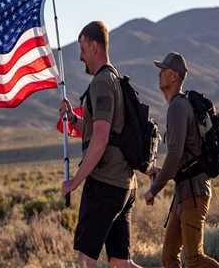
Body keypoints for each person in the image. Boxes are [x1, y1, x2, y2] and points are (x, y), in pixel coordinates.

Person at [60, 21, 141, 268]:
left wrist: (75, 181)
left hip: (105, 184)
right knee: (120, 262)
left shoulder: (102, 83)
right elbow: (103, 129)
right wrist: (74, 119)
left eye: (82, 48)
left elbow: (101, 138)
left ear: (94, 46)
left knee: (86, 259)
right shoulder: (114, 79)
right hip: (124, 184)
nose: (80, 56)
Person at [144, 52, 219, 268]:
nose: (159, 74)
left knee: (195, 259)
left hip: (193, 193)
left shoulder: (178, 107)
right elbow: (181, 158)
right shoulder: (177, 106)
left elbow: (176, 154)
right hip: (184, 193)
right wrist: (161, 172)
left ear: (173, 76)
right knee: (169, 258)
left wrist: (155, 189)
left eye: (163, 71)